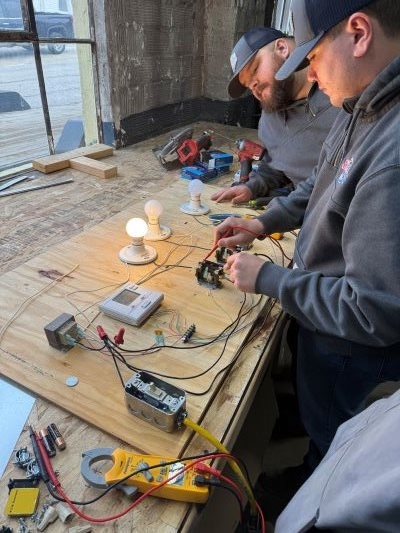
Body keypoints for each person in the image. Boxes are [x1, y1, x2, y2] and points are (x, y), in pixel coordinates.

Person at [215, 0, 400, 519]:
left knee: (338, 447)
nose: (312, 75)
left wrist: (269, 278)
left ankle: (313, 486)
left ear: (358, 33)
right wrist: (261, 222)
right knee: (317, 423)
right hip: (323, 325)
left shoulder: (392, 149)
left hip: (354, 349)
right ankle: (309, 465)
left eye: (314, 58)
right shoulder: (362, 108)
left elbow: (372, 310)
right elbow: (320, 187)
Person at [211, 27, 338, 205]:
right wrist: (252, 187)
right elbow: (277, 166)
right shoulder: (269, 120)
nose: (254, 86)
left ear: (282, 48)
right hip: (303, 214)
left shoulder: (339, 95)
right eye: (248, 85)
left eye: (255, 69)